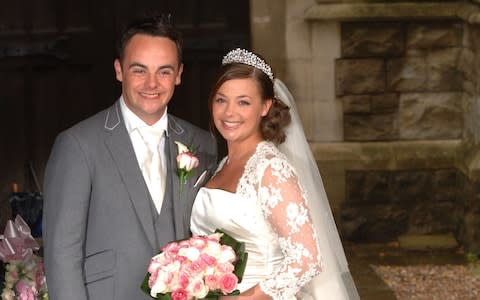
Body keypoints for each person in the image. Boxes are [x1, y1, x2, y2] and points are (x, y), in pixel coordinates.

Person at [42, 15, 218, 300]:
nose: (152, 83)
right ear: (119, 70)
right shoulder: (77, 144)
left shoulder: (202, 143)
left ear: (179, 74)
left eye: (164, 71)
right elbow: (61, 254)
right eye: (139, 70)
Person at [190, 48, 360, 299]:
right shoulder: (222, 165)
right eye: (221, 99)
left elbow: (307, 260)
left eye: (243, 102)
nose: (229, 113)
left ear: (265, 106)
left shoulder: (271, 170)